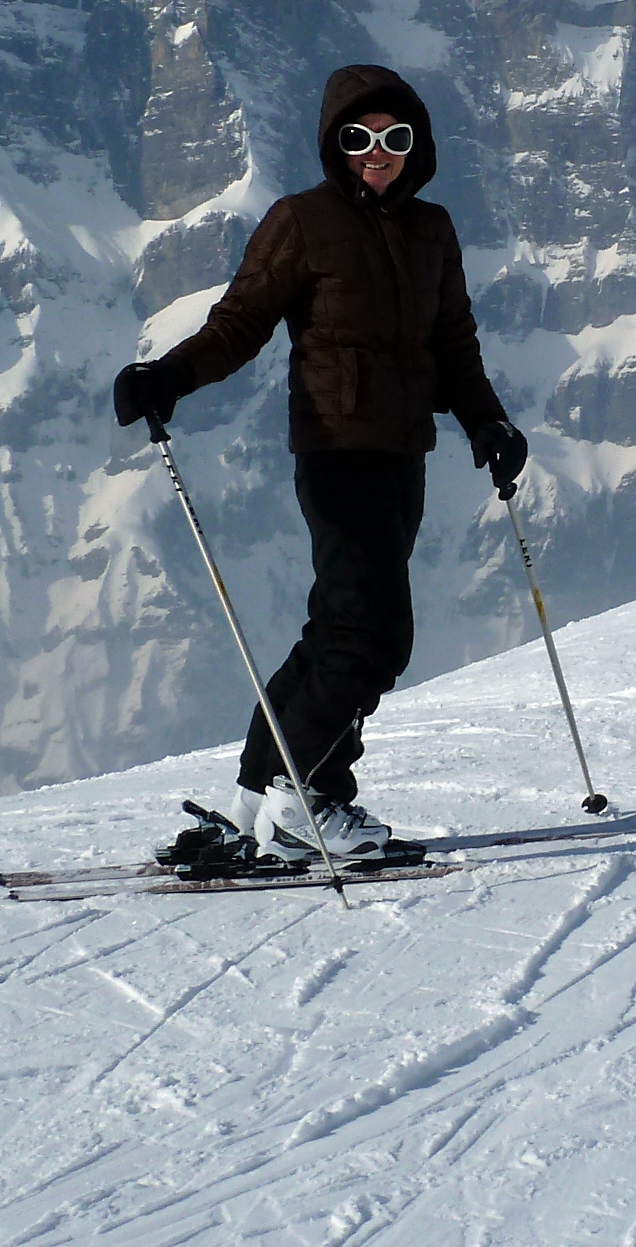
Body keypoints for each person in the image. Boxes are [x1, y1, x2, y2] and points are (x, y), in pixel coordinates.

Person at [112, 64, 527, 862]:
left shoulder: (432, 230)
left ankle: (251, 802)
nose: (378, 152)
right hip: (335, 455)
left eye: (395, 137)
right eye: (359, 137)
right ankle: (309, 801)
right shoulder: (301, 221)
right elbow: (240, 324)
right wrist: (167, 376)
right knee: (372, 639)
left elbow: (453, 347)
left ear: (417, 145)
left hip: (404, 458)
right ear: (336, 144)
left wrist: (488, 422)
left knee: (335, 629)